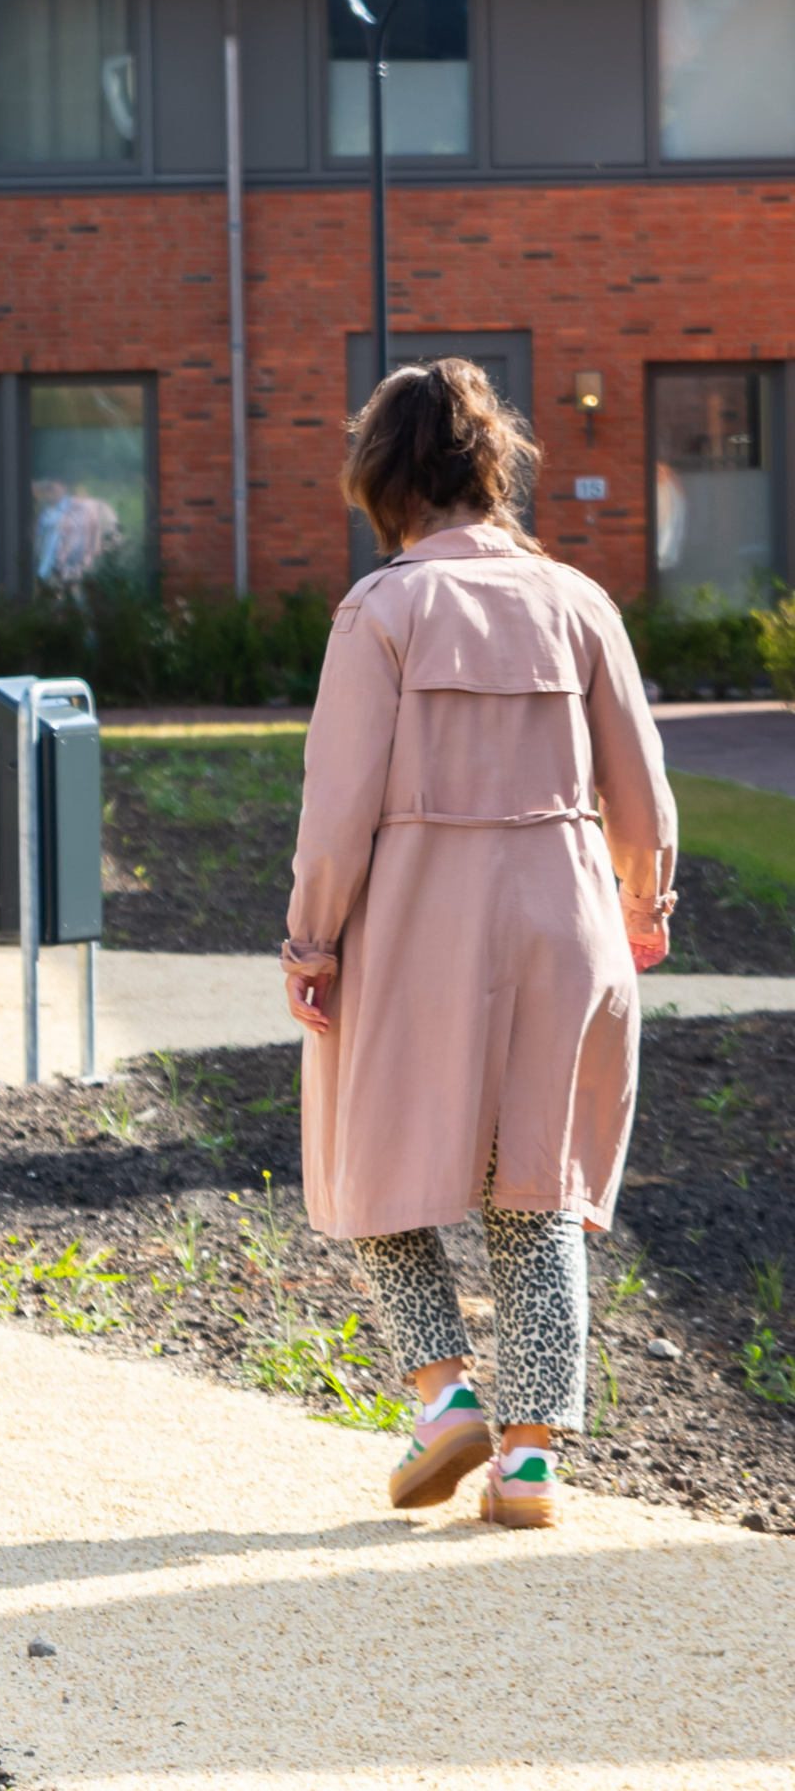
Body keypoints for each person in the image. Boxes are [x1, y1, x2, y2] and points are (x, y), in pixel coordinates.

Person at [286, 359, 677, 1532]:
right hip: (567, 918)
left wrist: (312, 941)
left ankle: (443, 1396)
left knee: (369, 1161)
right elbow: (642, 789)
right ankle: (531, 1462)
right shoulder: (579, 601)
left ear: (384, 479)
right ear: (491, 467)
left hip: (421, 923)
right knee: (535, 1190)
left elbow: (337, 807)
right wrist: (645, 901)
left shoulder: (383, 609)